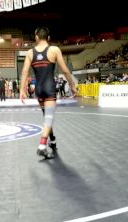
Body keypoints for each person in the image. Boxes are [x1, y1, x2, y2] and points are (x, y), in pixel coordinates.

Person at [20, 27, 77, 159]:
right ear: (49, 38)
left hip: (38, 89)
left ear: (36, 37)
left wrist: (22, 90)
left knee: (47, 117)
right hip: (50, 87)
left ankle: (52, 140)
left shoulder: (30, 52)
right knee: (48, 118)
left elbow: (24, 72)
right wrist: (72, 86)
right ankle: (42, 146)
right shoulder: (54, 49)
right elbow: (65, 71)